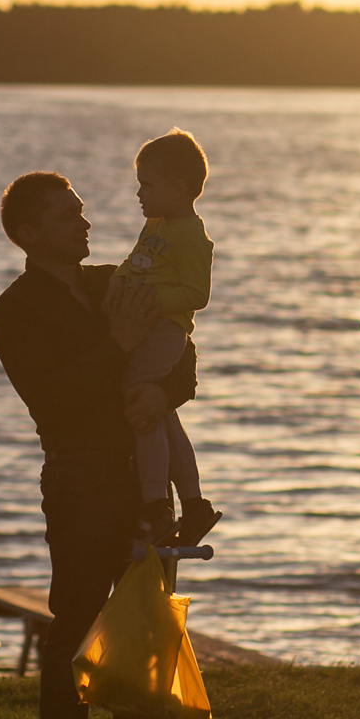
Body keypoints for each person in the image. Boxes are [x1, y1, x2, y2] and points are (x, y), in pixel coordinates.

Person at [0, 170, 198, 719]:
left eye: (81, 212)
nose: (83, 222)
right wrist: (117, 346)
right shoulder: (15, 311)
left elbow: (179, 353)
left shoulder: (117, 280)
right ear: (27, 234)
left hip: (145, 478)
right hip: (79, 477)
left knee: (146, 623)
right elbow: (52, 401)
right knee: (75, 620)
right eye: (64, 216)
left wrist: (160, 389)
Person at [114, 129, 223, 545]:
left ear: (179, 189)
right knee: (162, 415)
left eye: (148, 184)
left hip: (165, 331)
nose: (140, 193)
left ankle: (154, 505)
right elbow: (136, 263)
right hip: (147, 326)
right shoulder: (156, 225)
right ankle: (193, 504)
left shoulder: (192, 236)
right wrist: (118, 283)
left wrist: (148, 298)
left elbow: (197, 295)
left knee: (141, 401)